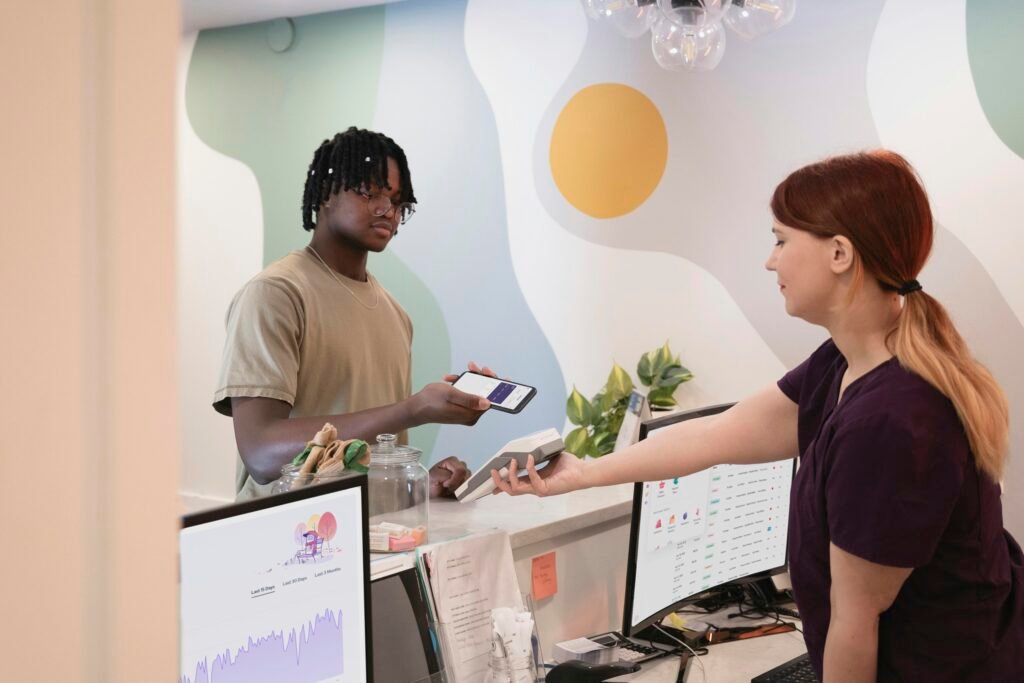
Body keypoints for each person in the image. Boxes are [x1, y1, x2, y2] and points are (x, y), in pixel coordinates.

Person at [492, 151, 1024, 681]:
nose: (771, 262)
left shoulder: (890, 419)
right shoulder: (843, 365)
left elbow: (854, 624)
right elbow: (713, 436)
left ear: (840, 253)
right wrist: (583, 473)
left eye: (781, 240)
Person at [215, 127, 492, 500]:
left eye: (397, 200)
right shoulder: (276, 294)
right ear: (326, 192)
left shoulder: (396, 315)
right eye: (371, 192)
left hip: (372, 533)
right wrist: (413, 409)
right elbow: (262, 453)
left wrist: (419, 485)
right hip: (292, 533)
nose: (387, 210)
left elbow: (360, 458)